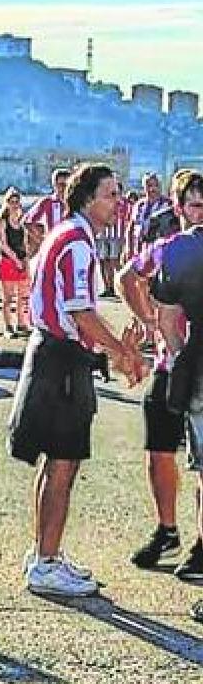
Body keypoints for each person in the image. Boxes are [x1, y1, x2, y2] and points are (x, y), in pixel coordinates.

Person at [8, 162, 148, 597]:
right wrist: (122, 351)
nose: (119, 201)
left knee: (56, 462)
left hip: (52, 353)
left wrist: (113, 348)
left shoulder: (63, 234)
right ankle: (46, 563)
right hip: (63, 360)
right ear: (87, 198)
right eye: (111, 194)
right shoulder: (78, 245)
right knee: (64, 463)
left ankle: (44, 554)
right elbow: (81, 314)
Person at [119, 170, 203, 583]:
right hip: (173, 365)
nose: (202, 213)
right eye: (195, 205)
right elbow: (126, 277)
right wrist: (148, 321)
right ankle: (168, 531)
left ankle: (202, 545)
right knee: (160, 449)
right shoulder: (167, 249)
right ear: (179, 208)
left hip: (196, 366)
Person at [0, 187, 31, 338]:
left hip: (22, 260)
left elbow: (25, 242)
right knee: (8, 297)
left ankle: (22, 324)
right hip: (9, 261)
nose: (14, 205)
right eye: (11, 202)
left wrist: (26, 261)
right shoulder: (2, 221)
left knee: (23, 297)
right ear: (6, 203)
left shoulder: (20, 220)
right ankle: (8, 326)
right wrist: (15, 259)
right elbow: (3, 244)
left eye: (17, 202)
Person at [25, 167, 70, 258]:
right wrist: (42, 240)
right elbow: (27, 222)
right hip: (53, 248)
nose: (63, 188)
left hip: (71, 247)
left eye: (66, 185)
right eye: (60, 185)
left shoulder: (75, 203)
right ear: (54, 185)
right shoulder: (48, 202)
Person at [95, 183, 131, 297]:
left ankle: (123, 287)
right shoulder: (103, 201)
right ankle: (108, 287)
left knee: (115, 261)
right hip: (102, 235)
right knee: (103, 261)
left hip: (117, 235)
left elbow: (128, 219)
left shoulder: (125, 204)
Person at [128, 172, 172, 259]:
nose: (152, 189)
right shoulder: (139, 205)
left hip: (160, 252)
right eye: (149, 185)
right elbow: (131, 228)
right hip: (139, 250)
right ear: (144, 188)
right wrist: (129, 249)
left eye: (156, 185)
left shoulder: (168, 204)